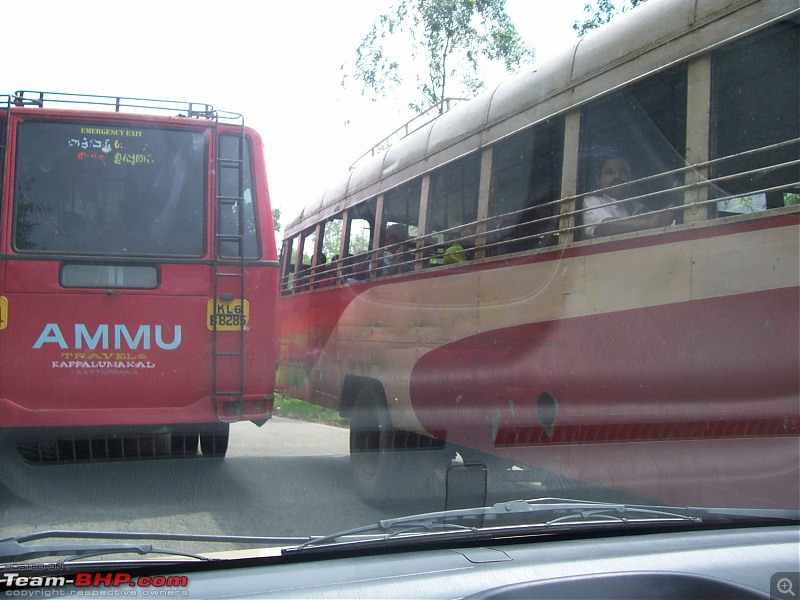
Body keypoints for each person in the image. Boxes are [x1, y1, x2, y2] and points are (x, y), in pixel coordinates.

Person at [583, 153, 675, 238]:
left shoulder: (640, 207)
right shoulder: (591, 202)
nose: (617, 176)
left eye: (623, 171)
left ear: (631, 178)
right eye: (610, 171)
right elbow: (605, 226)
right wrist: (650, 223)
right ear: (598, 180)